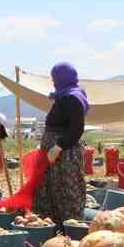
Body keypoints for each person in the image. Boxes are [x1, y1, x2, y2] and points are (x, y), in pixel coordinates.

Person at [35, 62, 88, 226]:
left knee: (67, 188)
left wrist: (58, 147)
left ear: (62, 78)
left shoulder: (73, 98)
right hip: (54, 151)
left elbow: (76, 128)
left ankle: (71, 229)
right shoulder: (63, 96)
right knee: (49, 187)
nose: (53, 82)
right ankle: (51, 226)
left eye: (54, 78)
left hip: (65, 154)